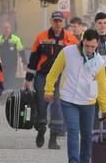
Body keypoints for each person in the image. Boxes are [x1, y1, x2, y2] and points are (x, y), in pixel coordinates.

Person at [45, 29, 106, 163]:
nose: (89, 49)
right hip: (68, 99)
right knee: (73, 130)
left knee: (87, 134)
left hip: (88, 101)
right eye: (86, 45)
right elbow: (53, 72)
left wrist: (105, 107)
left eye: (93, 47)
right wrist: (48, 90)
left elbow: (102, 87)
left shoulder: (99, 62)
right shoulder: (67, 52)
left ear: (97, 44)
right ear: (82, 41)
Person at [27, 11, 77, 149]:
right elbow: (33, 59)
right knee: (42, 105)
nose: (57, 23)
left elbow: (77, 60)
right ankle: (41, 129)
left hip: (62, 76)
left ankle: (53, 138)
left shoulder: (71, 39)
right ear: (51, 21)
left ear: (64, 22)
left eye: (60, 21)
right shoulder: (41, 37)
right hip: (43, 75)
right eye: (55, 20)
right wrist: (28, 79)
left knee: (58, 105)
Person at [0, 22, 26, 90]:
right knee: (3, 80)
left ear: (10, 29)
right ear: (2, 29)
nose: (6, 29)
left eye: (7, 28)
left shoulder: (16, 39)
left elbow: (21, 51)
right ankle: (4, 95)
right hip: (1, 65)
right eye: (4, 28)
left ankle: (9, 95)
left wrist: (24, 63)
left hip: (12, 64)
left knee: (11, 80)